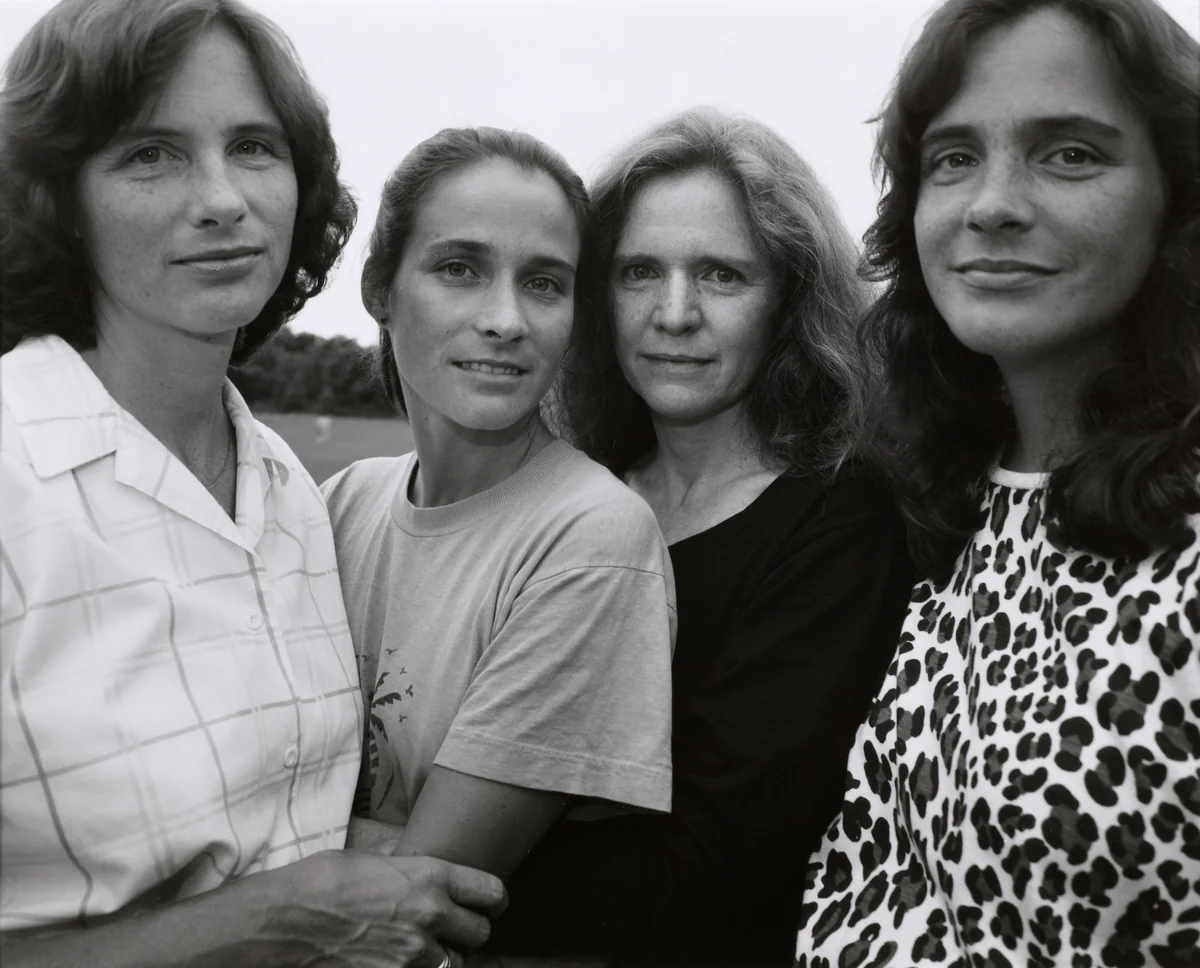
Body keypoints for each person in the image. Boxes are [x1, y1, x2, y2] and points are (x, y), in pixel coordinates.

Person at [0, 2, 505, 965]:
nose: (222, 197)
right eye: (151, 152)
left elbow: (263, 824)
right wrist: (263, 924)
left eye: (254, 146)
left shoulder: (286, 492)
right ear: (56, 198)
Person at [793, 0, 1200, 965]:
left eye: (1069, 154)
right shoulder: (939, 501)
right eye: (954, 157)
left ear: (1178, 200)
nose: (992, 204)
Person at [488, 109, 915, 966]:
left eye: (722, 275)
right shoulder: (570, 498)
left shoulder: (841, 521)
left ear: (788, 299)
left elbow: (716, 870)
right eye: (639, 271)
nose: (673, 314)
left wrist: (416, 872)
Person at [321, 128, 676, 882]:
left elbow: (424, 889)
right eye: (459, 268)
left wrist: (235, 837)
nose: (506, 320)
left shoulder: (591, 538)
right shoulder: (339, 503)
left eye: (545, 283)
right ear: (380, 288)